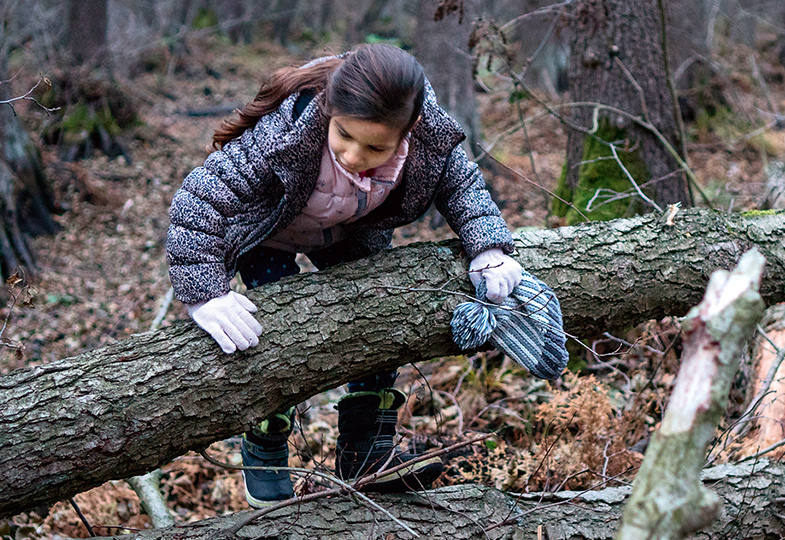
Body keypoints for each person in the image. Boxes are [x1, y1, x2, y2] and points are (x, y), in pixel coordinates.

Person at [166, 43, 523, 508]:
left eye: (375, 146)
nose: (355, 155)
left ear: (407, 130)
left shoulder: (429, 137)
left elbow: (463, 188)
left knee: (380, 318)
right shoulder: (287, 129)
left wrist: (489, 249)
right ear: (331, 112)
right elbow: (198, 202)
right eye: (344, 137)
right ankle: (266, 438)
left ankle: (366, 448)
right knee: (270, 332)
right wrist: (205, 294)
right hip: (270, 235)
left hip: (347, 236)